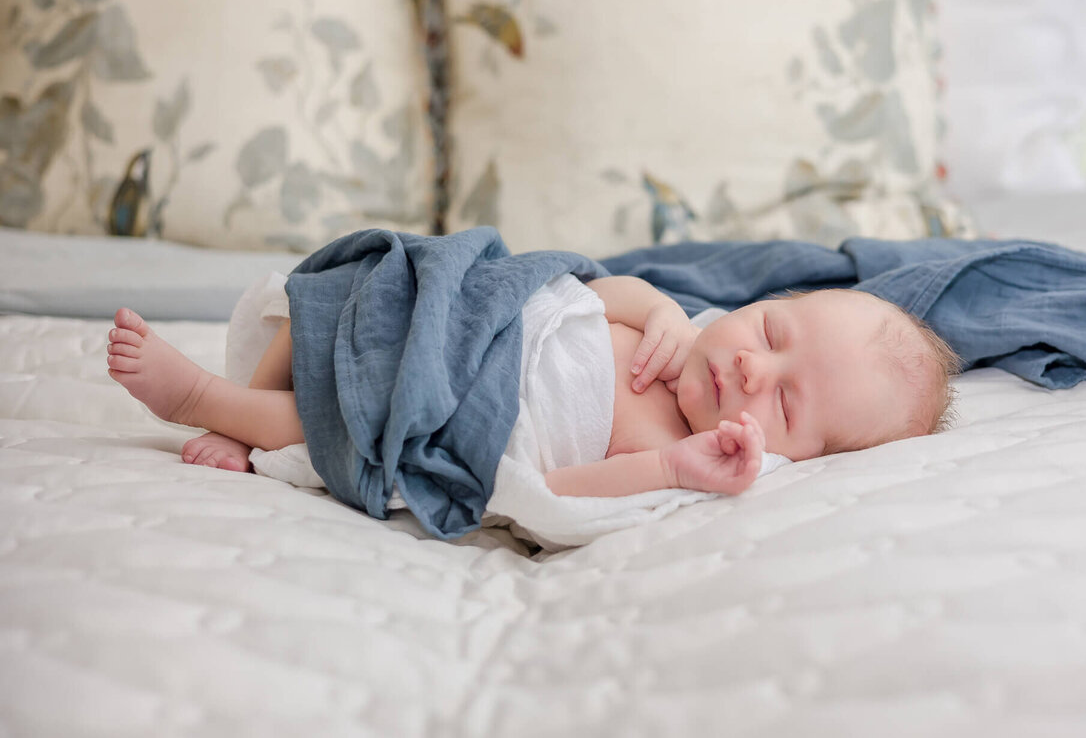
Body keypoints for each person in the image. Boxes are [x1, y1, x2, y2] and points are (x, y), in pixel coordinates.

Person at [104, 274, 959, 499]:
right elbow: (576, 290)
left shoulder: (676, 449)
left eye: (783, 402)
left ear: (793, 456)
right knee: (324, 302)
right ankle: (244, 416)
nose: (750, 367)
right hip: (453, 324)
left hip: (443, 411)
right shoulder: (676, 330)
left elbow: (555, 491)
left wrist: (674, 472)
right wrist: (655, 302)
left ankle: (205, 403)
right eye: (772, 332)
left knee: (336, 425)